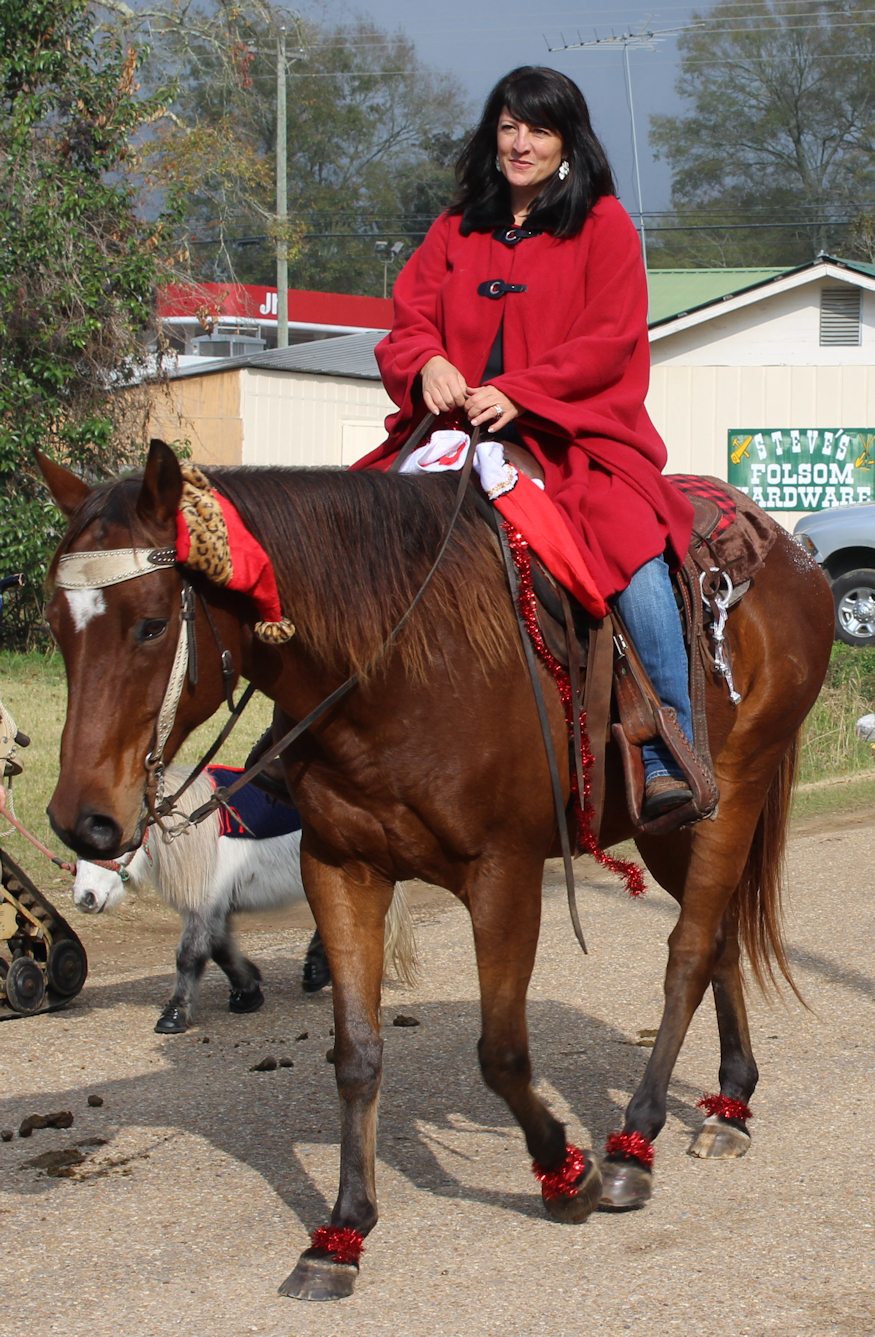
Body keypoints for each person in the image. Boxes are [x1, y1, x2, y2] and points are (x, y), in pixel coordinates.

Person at [352, 66, 699, 823]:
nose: (519, 142)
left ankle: (664, 742)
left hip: (571, 436)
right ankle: (304, 741)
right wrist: (428, 363)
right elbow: (407, 321)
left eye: (537, 129)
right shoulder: (456, 226)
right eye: (508, 126)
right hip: (451, 434)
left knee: (629, 548)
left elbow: (608, 342)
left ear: (567, 143)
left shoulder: (604, 225)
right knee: (348, 536)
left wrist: (521, 393)